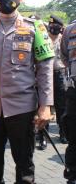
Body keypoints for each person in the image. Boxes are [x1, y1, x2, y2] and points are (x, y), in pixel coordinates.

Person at [0, 0, 53, 184]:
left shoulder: (35, 28)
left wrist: (46, 106)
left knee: (24, 168)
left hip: (22, 108)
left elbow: (45, 68)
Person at [60, 17, 76, 184]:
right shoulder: (70, 30)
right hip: (74, 91)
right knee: (73, 136)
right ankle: (72, 175)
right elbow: (65, 57)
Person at [47, 15, 67, 144]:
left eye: (55, 27)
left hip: (60, 74)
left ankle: (63, 133)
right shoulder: (43, 39)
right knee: (45, 104)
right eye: (51, 27)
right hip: (45, 75)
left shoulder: (63, 40)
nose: (52, 29)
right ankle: (43, 135)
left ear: (60, 28)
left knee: (62, 106)